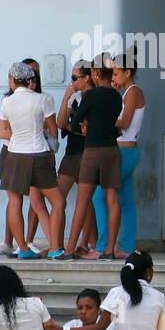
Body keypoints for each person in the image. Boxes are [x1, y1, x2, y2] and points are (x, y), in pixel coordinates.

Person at [0, 62, 66, 258]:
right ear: (29, 80)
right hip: (39, 154)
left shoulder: (6, 102)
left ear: (12, 80)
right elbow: (53, 129)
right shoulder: (43, 99)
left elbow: (2, 130)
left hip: (14, 155)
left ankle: (23, 250)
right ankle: (55, 248)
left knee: (14, 202)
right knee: (58, 201)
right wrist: (52, 149)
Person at [63, 60, 123, 260]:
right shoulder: (117, 96)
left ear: (96, 73)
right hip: (112, 150)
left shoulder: (90, 95)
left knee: (83, 200)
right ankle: (109, 251)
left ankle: (70, 250)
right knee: (112, 199)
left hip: (92, 149)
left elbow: (75, 121)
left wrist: (85, 125)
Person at [93, 55, 146, 258]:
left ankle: (103, 246)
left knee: (99, 196)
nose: (113, 77)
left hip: (124, 151)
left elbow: (124, 123)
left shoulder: (133, 92)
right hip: (125, 150)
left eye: (116, 73)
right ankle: (126, 247)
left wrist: (103, 118)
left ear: (127, 73)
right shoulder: (126, 93)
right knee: (125, 201)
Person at [54, 60, 97, 256]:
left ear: (86, 78)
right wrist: (66, 97)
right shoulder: (75, 97)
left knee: (85, 201)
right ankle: (60, 243)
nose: (72, 81)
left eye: (75, 77)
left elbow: (88, 131)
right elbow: (60, 123)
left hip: (87, 153)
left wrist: (72, 128)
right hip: (71, 153)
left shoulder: (94, 98)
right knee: (58, 197)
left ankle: (87, 243)